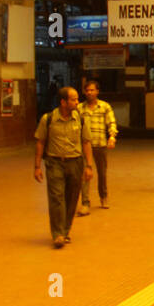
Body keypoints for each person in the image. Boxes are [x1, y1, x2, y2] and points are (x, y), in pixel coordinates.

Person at [32, 87, 96, 249]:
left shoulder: (80, 119)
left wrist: (89, 166)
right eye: (73, 99)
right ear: (63, 102)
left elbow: (87, 142)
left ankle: (66, 230)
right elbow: (40, 142)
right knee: (56, 198)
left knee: (71, 198)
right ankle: (58, 234)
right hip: (55, 163)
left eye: (76, 99)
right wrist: (37, 166)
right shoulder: (48, 119)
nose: (77, 102)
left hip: (75, 163)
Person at [78, 79, 118, 213]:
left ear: (97, 91)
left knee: (102, 173)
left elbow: (111, 122)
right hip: (84, 146)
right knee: (85, 174)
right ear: (84, 92)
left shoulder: (104, 107)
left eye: (92, 90)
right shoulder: (79, 108)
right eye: (87, 90)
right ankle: (85, 202)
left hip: (100, 144)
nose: (89, 92)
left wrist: (112, 136)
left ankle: (104, 196)